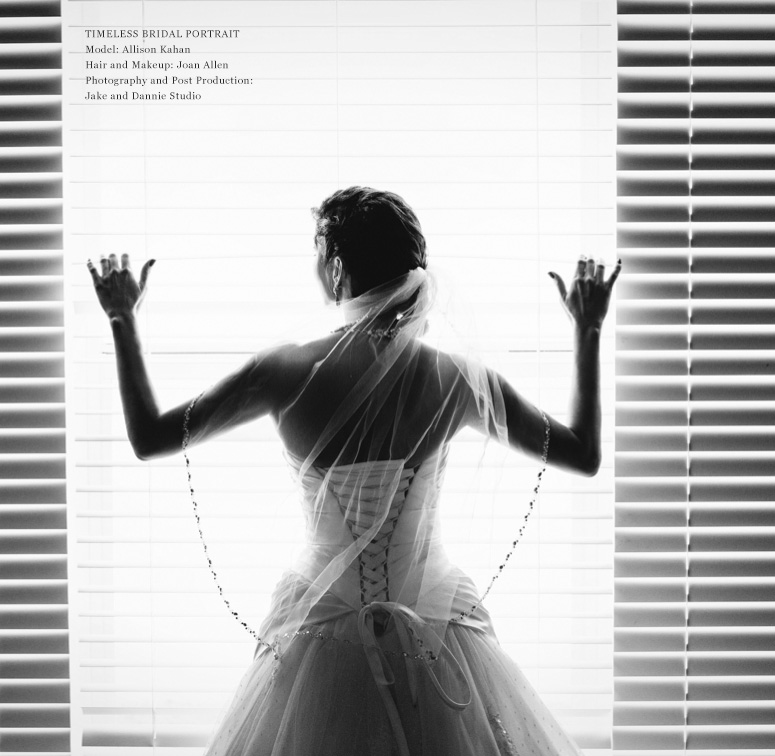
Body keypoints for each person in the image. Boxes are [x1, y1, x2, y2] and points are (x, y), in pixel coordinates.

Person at [88, 186, 620, 756]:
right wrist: (587, 331)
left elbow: (149, 437)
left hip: (318, 632)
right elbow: (582, 453)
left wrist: (122, 318)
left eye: (320, 255)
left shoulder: (285, 371)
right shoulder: (455, 379)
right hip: (439, 628)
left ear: (337, 265)